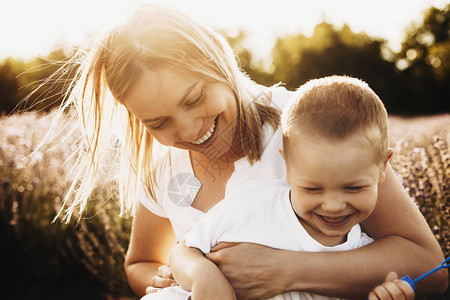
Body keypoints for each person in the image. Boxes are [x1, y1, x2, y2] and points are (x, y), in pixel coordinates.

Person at [54, 3, 447, 299]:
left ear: (218, 61)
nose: (189, 130)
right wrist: (178, 276)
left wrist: (290, 271)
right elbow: (141, 263)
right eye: (158, 123)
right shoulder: (161, 166)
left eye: (194, 98)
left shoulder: (306, 128)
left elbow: (428, 264)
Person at [142, 76, 416, 300]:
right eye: (312, 189)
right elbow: (183, 250)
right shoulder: (253, 202)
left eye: (354, 188)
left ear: (383, 169)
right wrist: (201, 275)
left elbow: (426, 268)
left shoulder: (364, 256)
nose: (333, 205)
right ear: (287, 166)